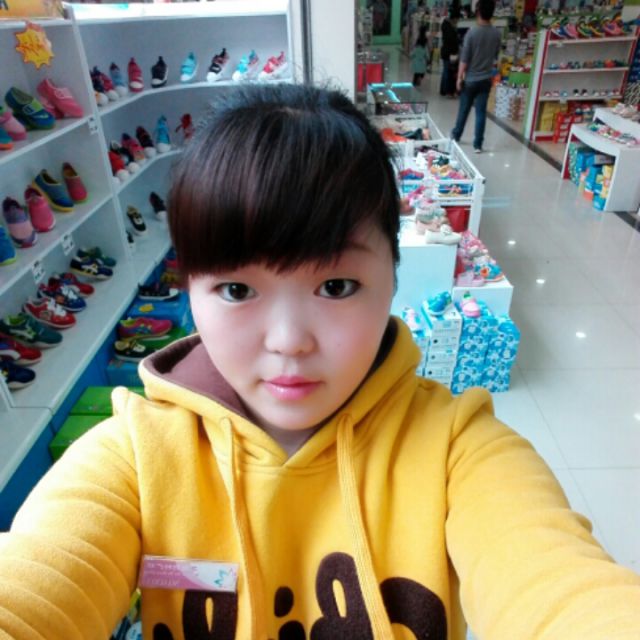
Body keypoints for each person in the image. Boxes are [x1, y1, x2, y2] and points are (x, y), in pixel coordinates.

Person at [1, 84, 640, 640]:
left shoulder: (458, 453)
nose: (288, 341)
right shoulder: (132, 460)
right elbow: (34, 583)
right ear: (189, 289)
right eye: (237, 289)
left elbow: (558, 586)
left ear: (393, 278)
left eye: (335, 286)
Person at [451, 0, 501, 152]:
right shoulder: (496, 33)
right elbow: (495, 56)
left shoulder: (471, 33)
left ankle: (456, 135)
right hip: (486, 79)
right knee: (481, 112)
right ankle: (478, 144)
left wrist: (459, 78)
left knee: (464, 109)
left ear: (478, 12)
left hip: (471, 80)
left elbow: (464, 59)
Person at [440, 10, 461, 97]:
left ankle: (443, 90)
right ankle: (447, 90)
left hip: (446, 51)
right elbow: (452, 40)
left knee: (446, 71)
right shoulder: (449, 28)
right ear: (454, 18)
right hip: (449, 52)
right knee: (447, 72)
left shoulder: (446, 25)